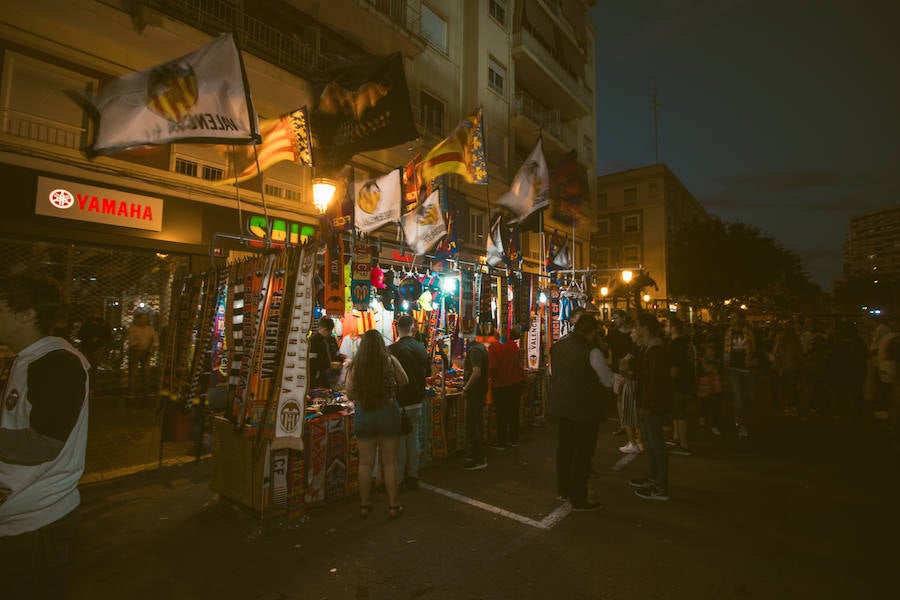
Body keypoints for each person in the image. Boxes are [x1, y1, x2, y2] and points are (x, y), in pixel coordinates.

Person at [0, 274, 91, 599]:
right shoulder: (28, 360)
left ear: (27, 314)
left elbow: (43, 443)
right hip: (21, 513)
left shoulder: (56, 364)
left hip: (37, 521)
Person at [548, 314, 614, 511]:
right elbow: (607, 380)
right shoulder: (592, 351)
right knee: (582, 452)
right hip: (584, 409)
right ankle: (579, 497)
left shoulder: (558, 346)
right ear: (592, 331)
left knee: (564, 449)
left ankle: (563, 489)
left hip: (559, 407)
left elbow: (552, 373)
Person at [346, 330, 409, 520]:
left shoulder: (355, 366)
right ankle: (393, 505)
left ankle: (364, 505)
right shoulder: (389, 361)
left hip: (364, 414)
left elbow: (349, 394)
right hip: (387, 413)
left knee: (365, 463)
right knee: (389, 463)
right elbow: (404, 381)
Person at [629, 313, 673, 501]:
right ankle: (653, 477)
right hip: (649, 403)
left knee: (657, 444)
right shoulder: (648, 349)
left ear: (645, 328)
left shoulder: (656, 351)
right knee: (651, 443)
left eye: (637, 326)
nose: (635, 331)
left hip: (653, 405)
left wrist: (647, 404)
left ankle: (660, 486)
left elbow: (655, 382)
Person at [389, 315, 430, 490]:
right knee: (413, 439)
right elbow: (427, 372)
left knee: (399, 442)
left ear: (397, 328)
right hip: (417, 399)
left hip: (399, 402)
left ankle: (398, 480)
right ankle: (413, 476)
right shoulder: (420, 347)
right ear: (412, 328)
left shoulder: (392, 349)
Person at [488, 327, 526, 450]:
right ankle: (514, 439)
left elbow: (492, 368)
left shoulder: (493, 348)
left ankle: (501, 441)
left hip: (502, 384)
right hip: (516, 382)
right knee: (514, 411)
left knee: (501, 413)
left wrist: (488, 377)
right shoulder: (512, 345)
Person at [723, 311, 758, 438]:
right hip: (733, 369)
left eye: (735, 317)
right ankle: (742, 425)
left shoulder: (750, 332)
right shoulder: (727, 333)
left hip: (748, 369)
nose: (732, 319)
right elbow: (724, 350)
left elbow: (758, 347)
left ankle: (741, 416)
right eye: (732, 317)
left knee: (750, 398)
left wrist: (755, 359)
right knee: (738, 399)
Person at [462, 327, 490, 471]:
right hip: (480, 391)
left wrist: (466, 388)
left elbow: (477, 372)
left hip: (475, 392)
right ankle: (478, 456)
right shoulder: (481, 349)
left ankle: (477, 459)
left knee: (473, 425)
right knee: (476, 423)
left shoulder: (475, 351)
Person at [666, 316, 696, 456]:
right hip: (686, 381)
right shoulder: (685, 343)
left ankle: (684, 445)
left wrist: (668, 380)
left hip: (679, 383)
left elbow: (675, 366)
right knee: (676, 412)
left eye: (667, 326)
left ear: (673, 328)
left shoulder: (676, 344)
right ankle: (677, 438)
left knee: (680, 413)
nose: (665, 328)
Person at [607, 309, 637, 437]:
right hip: (617, 368)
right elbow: (606, 347)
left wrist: (629, 358)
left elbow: (636, 349)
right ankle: (623, 425)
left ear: (624, 318)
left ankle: (634, 426)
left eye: (617, 318)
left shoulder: (632, 333)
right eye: (613, 318)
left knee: (631, 397)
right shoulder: (613, 333)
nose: (615, 320)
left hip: (631, 369)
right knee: (619, 396)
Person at [127, 310, 158, 402]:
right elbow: (131, 341)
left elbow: (155, 340)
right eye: (142, 318)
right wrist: (138, 342)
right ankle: (132, 392)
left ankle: (146, 391)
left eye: (145, 318)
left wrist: (153, 348)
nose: (144, 320)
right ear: (138, 319)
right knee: (133, 372)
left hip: (146, 352)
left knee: (146, 372)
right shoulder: (133, 328)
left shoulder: (150, 329)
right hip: (135, 352)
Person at [309, 316, 341, 389]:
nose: (330, 332)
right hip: (318, 379)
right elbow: (311, 363)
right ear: (320, 328)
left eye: (331, 330)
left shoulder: (332, 340)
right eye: (327, 330)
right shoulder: (313, 341)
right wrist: (329, 365)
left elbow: (337, 354)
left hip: (334, 377)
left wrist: (342, 361)